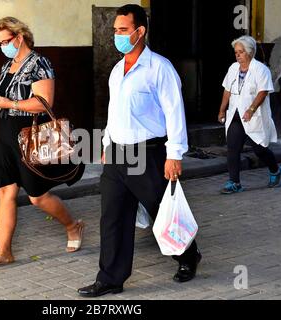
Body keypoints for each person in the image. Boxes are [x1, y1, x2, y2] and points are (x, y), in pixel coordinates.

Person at [78, 4, 201, 297]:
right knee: (112, 217)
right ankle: (110, 278)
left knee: (163, 212)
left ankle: (188, 255)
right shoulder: (117, 70)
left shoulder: (160, 68)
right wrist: (107, 143)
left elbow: (175, 113)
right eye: (115, 30)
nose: (117, 36)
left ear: (140, 31)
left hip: (149, 153)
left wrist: (175, 154)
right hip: (119, 154)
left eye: (123, 30)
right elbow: (114, 112)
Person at [0, 17, 85, 269]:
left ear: (20, 37)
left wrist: (9, 104)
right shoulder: (8, 65)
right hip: (5, 132)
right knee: (5, 192)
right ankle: (4, 251)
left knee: (37, 196)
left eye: (5, 41)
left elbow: (44, 101)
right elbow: (6, 98)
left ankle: (73, 226)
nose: (3, 46)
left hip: (28, 133)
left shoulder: (39, 63)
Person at [218, 35, 281, 194]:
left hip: (254, 116)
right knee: (233, 148)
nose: (237, 55)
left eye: (241, 52)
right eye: (236, 52)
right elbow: (227, 90)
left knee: (260, 150)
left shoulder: (261, 70)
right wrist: (221, 110)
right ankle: (235, 182)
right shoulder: (233, 68)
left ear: (250, 52)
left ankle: (275, 169)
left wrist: (251, 109)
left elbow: (263, 92)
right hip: (235, 115)